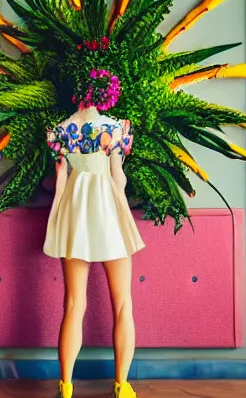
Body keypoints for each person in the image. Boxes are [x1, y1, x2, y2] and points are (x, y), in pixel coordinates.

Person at [44, 69, 145, 398]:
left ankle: (67, 386)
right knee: (123, 305)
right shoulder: (117, 128)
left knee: (73, 305)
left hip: (75, 214)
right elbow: (119, 180)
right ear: (108, 94)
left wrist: (59, 212)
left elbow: (59, 179)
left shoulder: (59, 130)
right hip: (108, 213)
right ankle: (122, 384)